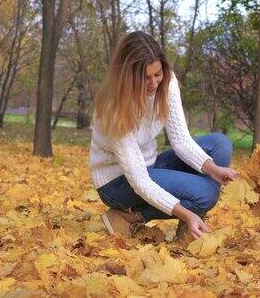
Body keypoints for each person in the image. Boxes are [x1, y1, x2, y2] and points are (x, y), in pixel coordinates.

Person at [89, 31, 239, 241]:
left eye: (157, 74)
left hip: (152, 166)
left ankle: (190, 225)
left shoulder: (166, 82)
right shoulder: (112, 108)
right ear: (128, 76)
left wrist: (212, 169)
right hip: (117, 182)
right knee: (206, 194)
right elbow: (139, 180)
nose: (153, 84)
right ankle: (133, 217)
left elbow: (181, 140)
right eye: (145, 77)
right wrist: (186, 213)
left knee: (219, 144)